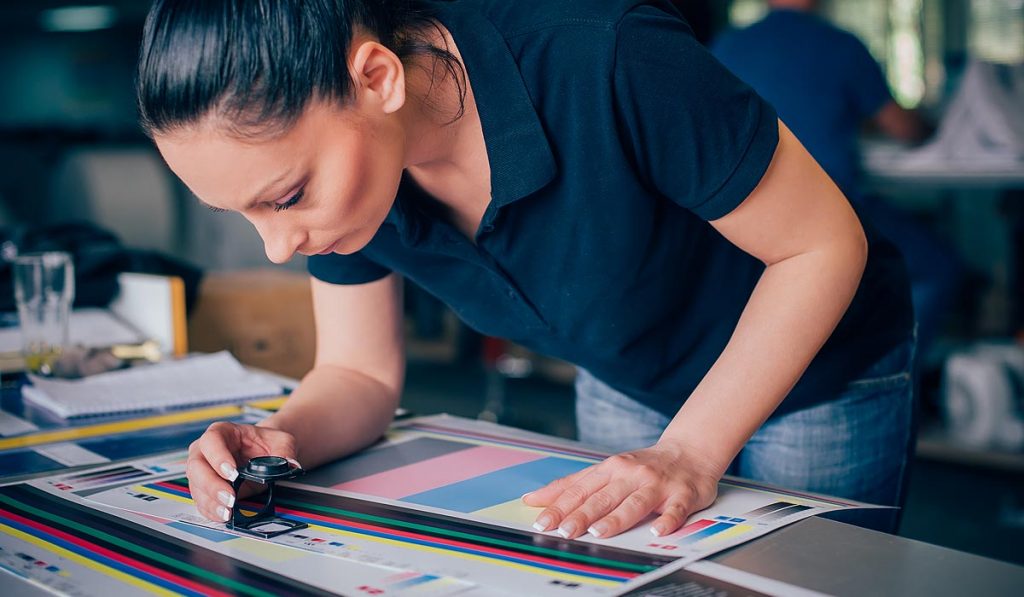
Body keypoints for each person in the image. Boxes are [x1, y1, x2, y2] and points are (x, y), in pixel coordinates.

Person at [139, 0, 915, 539]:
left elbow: (820, 246)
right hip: (629, 364)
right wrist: (278, 437)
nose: (279, 246)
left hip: (816, 362)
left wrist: (688, 451)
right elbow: (359, 374)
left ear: (377, 78)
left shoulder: (603, 52)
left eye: (288, 196)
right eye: (248, 214)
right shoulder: (351, 193)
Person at [712, 0, 960, 359]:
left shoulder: (727, 46)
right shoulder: (840, 46)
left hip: (749, 218)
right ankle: (898, 372)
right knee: (939, 268)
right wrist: (935, 122)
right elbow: (904, 129)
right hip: (832, 209)